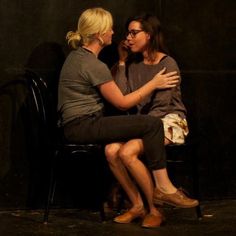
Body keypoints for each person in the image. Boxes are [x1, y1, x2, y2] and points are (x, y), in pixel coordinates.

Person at [57, 7, 180, 228]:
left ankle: (141, 205)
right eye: (110, 29)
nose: (114, 33)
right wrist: (153, 84)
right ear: (99, 34)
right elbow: (122, 102)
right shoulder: (93, 64)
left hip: (80, 124)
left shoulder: (77, 57)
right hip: (84, 125)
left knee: (114, 148)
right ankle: (163, 187)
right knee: (151, 124)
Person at [105, 13, 199, 227]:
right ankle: (137, 205)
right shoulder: (132, 64)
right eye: (127, 32)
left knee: (128, 151)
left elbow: (162, 108)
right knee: (111, 150)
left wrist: (137, 127)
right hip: (141, 124)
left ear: (148, 35)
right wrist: (121, 62)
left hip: (169, 121)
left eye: (134, 32)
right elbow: (122, 96)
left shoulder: (168, 63)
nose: (128, 37)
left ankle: (154, 210)